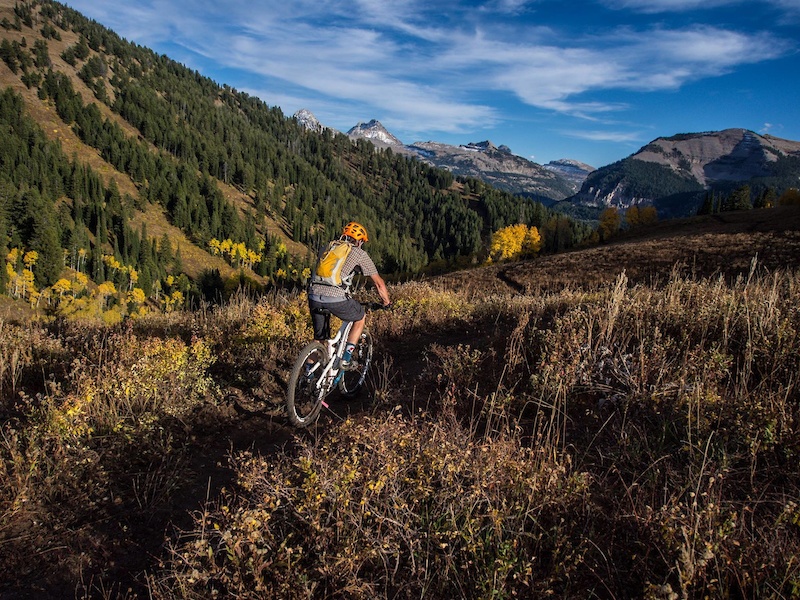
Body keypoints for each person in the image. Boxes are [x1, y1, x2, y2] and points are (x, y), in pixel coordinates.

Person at [307, 221, 391, 369]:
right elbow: (379, 283)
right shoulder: (359, 253)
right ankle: (345, 358)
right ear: (359, 241)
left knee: (319, 340)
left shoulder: (327, 247)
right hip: (336, 298)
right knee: (360, 317)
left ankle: (307, 373)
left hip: (313, 296)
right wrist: (386, 302)